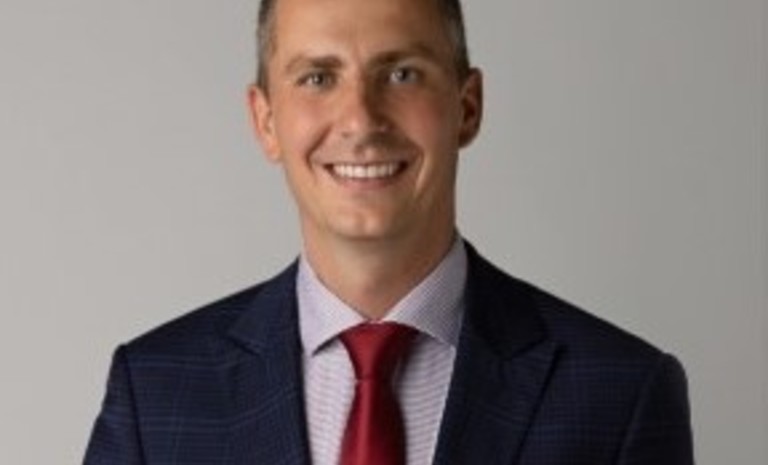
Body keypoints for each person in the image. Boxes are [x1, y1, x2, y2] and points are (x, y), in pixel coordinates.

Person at [84, 0, 694, 463]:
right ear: (265, 121)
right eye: (318, 78)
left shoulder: (622, 394)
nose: (360, 119)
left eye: (402, 74)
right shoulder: (154, 393)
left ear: (468, 107)